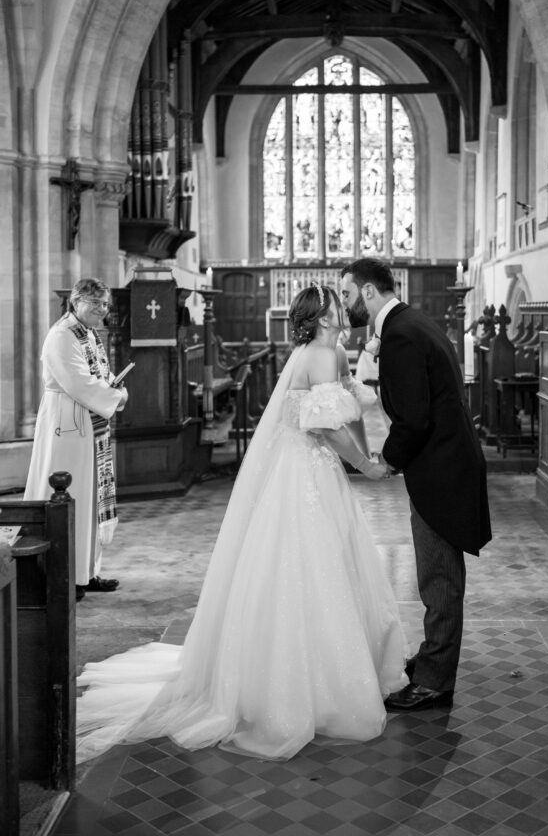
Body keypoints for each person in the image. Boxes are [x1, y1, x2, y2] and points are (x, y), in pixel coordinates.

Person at [75, 283, 407, 762]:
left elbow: (346, 406)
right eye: (337, 302)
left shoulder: (326, 352)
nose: (345, 305)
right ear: (322, 317)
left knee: (317, 563)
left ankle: (312, 670)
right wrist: (367, 466)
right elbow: (325, 427)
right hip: (307, 471)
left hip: (309, 470)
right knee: (311, 565)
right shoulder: (321, 355)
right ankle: (309, 687)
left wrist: (369, 373)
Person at [340, 258, 492, 712]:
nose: (345, 303)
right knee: (437, 575)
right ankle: (431, 660)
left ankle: (434, 681)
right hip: (445, 463)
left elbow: (413, 419)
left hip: (441, 471)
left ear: (369, 291)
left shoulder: (402, 335)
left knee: (438, 578)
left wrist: (386, 461)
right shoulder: (411, 323)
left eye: (347, 294)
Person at [24, 278, 128, 601]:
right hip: (68, 425)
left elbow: (99, 374)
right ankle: (65, 576)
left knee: (91, 498)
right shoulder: (62, 336)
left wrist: (115, 385)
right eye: (95, 304)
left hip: (89, 423)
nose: (102, 310)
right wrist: (116, 397)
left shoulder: (89, 333)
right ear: (76, 301)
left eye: (105, 304)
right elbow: (78, 382)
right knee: (72, 496)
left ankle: (87, 571)